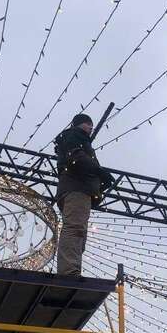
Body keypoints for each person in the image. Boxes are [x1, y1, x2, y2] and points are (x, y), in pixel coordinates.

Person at [54, 113, 113, 276]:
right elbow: (77, 158)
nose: (90, 128)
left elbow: (77, 159)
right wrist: (99, 172)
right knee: (75, 229)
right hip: (77, 189)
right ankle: (69, 272)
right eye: (88, 124)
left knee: (79, 232)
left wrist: (99, 178)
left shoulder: (75, 139)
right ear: (81, 124)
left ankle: (72, 269)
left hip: (78, 189)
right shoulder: (74, 136)